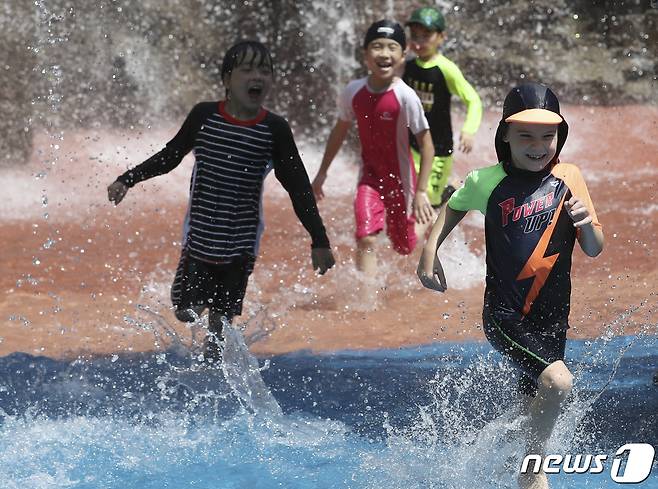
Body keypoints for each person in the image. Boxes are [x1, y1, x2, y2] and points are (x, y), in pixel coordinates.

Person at [417, 83, 604, 489]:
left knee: (533, 402)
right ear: (504, 134)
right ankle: (532, 468)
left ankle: (501, 470)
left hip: (553, 319)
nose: (538, 146)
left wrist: (585, 221)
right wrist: (429, 252)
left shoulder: (569, 177)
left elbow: (594, 249)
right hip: (505, 316)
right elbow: (451, 207)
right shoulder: (487, 181)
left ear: (560, 136)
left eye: (547, 136)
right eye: (525, 136)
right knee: (558, 382)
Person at [107, 41, 335, 362]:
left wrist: (319, 240)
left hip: (241, 243)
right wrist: (128, 178)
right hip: (200, 239)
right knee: (186, 311)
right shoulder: (205, 116)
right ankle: (199, 321)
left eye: (264, 71)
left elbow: (298, 188)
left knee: (221, 323)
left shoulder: (274, 130)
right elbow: (171, 156)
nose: (257, 77)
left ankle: (214, 378)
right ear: (227, 80)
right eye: (247, 70)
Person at [312, 20, 435, 281]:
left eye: (392, 47)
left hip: (402, 181)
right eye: (377, 46)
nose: (384, 53)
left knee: (404, 247)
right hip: (369, 178)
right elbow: (339, 132)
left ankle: (434, 211)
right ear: (365, 54)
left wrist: (421, 192)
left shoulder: (405, 96)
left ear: (402, 56)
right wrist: (322, 173)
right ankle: (366, 301)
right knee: (365, 237)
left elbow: (427, 145)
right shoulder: (353, 91)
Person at [403, 6, 482, 207]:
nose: (419, 42)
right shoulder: (407, 67)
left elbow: (473, 99)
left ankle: (452, 190)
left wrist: (469, 130)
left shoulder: (446, 69)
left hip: (439, 148)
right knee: (412, 195)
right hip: (412, 144)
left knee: (432, 201)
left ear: (441, 37)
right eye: (415, 36)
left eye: (426, 36)